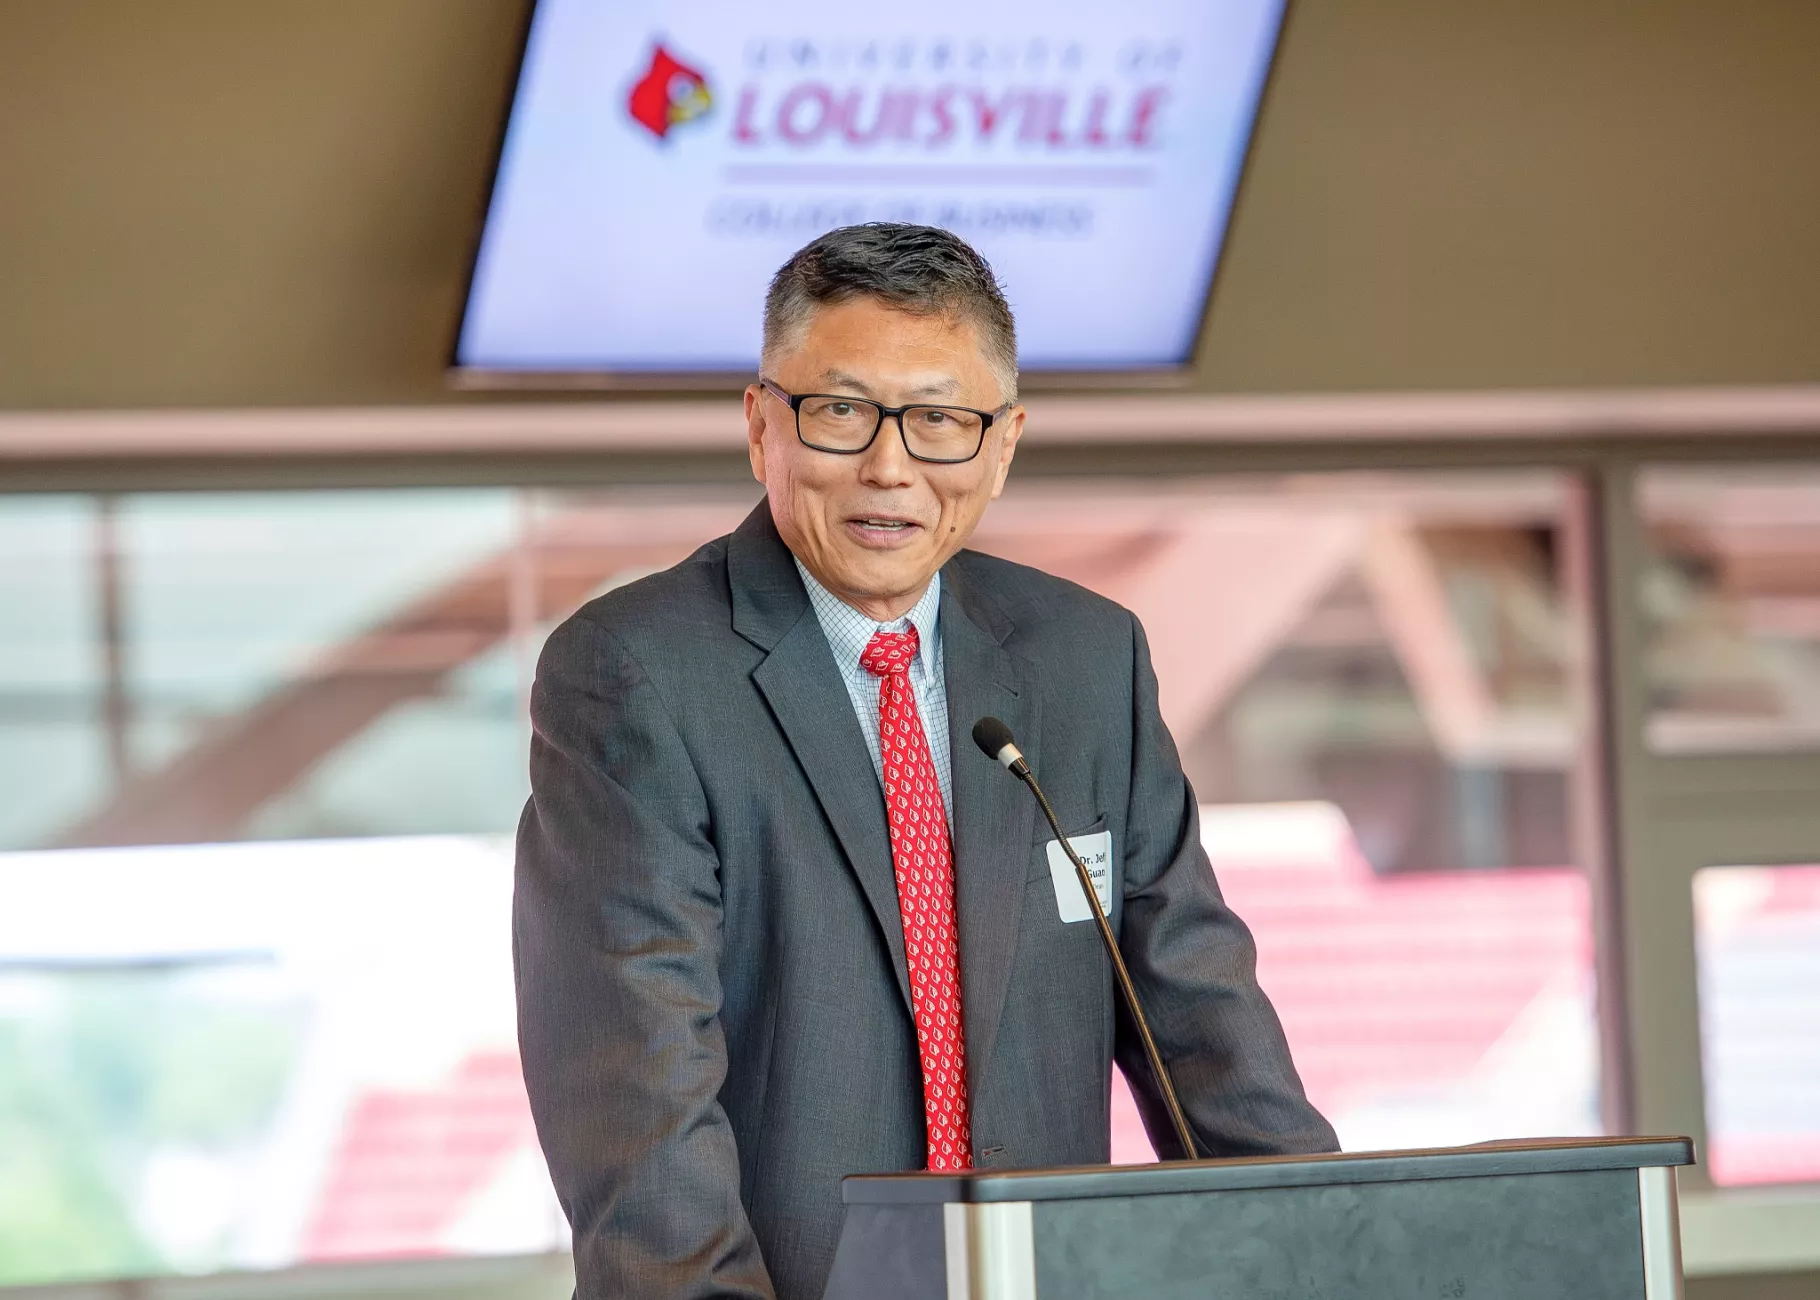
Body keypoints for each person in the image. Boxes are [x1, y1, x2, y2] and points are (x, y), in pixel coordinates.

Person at [514, 223, 1336, 1300]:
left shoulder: (1085, 660)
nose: (889, 466)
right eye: (841, 411)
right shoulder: (635, 673)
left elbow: (1201, 1019)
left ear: (1000, 444)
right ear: (761, 422)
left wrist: (1332, 1251)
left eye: (939, 420)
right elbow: (639, 1100)